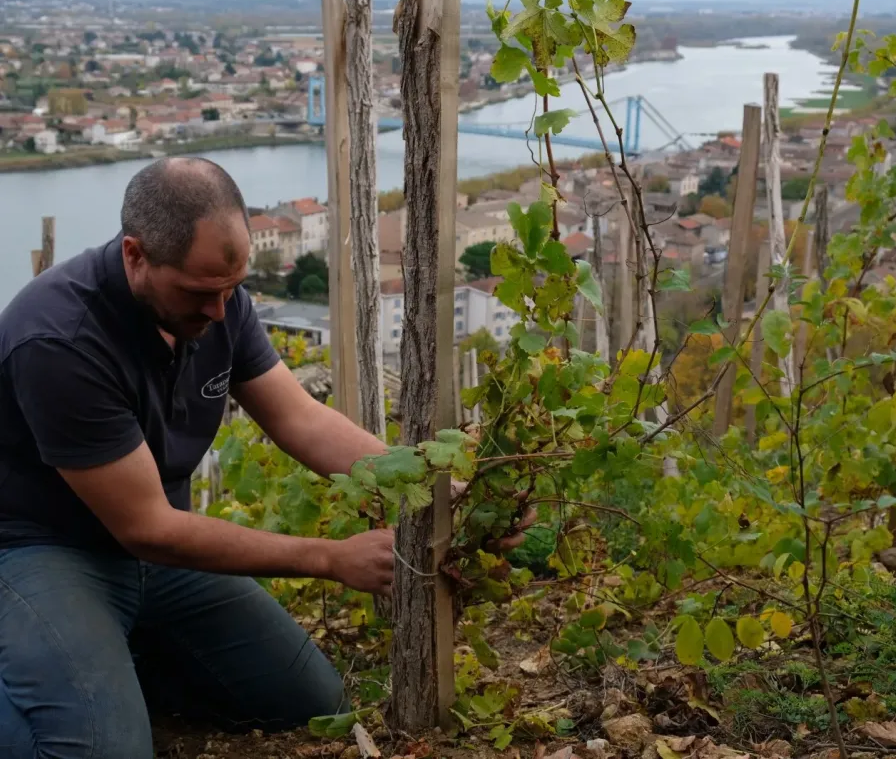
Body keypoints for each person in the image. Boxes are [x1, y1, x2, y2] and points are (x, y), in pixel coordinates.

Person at [0, 158, 530, 759]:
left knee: (310, 701)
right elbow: (147, 528)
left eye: (233, 287)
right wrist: (330, 559)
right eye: (201, 292)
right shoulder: (60, 339)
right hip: (40, 552)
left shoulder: (219, 303)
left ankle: (102, 665)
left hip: (155, 562)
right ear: (134, 255)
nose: (221, 311)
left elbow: (299, 419)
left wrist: (440, 494)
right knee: (102, 750)